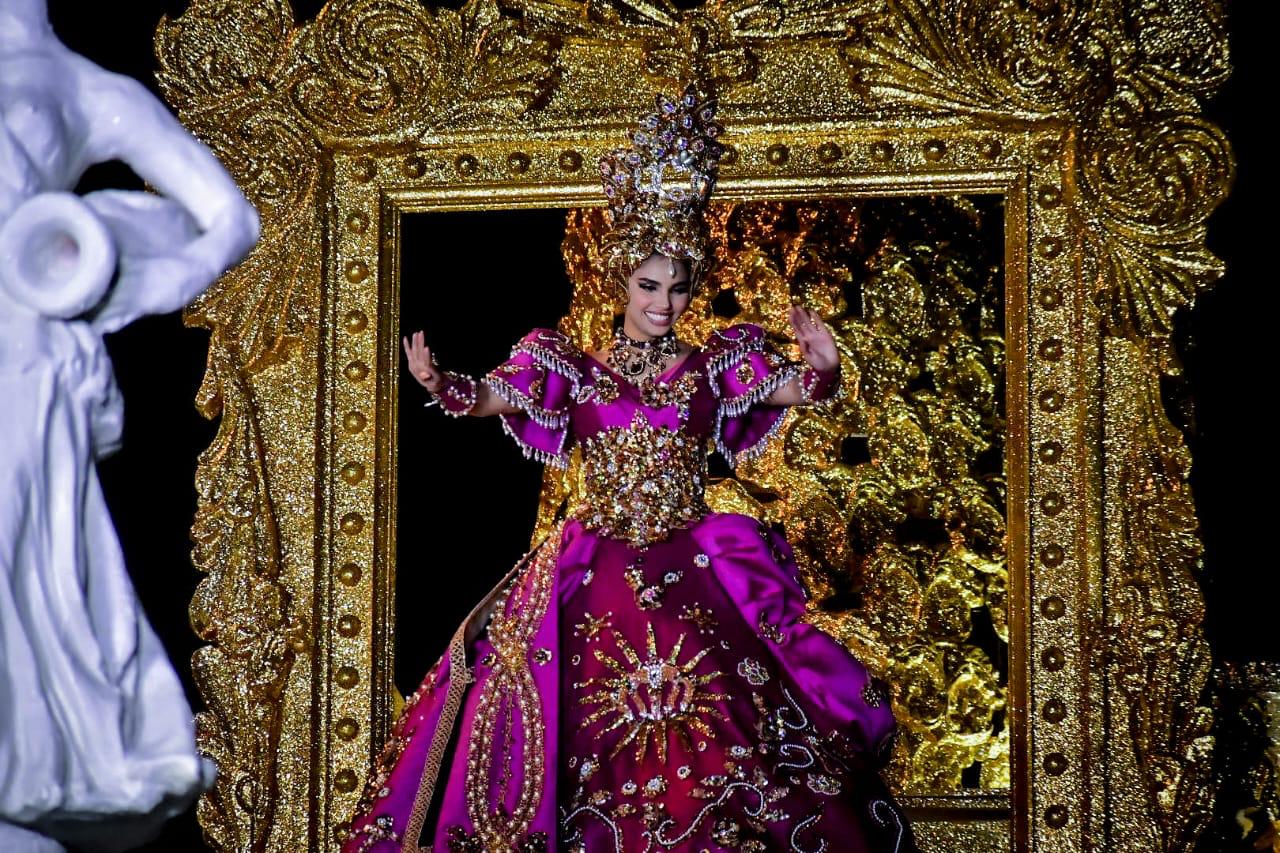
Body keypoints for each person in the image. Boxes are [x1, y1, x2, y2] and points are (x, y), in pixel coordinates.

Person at [343, 85, 917, 853]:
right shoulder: (573, 370)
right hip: (592, 566)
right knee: (560, 724)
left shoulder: (713, 365)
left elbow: (792, 388)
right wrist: (441, 385)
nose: (666, 302)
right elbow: (491, 397)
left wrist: (821, 368)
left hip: (695, 562)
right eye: (650, 286)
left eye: (678, 287)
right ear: (621, 282)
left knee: (733, 725)